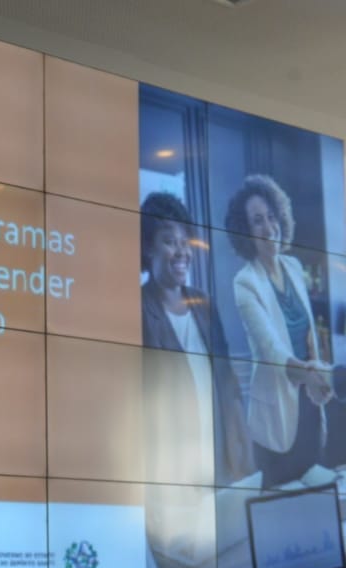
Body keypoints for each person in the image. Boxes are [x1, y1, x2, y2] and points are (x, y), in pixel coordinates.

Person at [224, 174, 332, 488]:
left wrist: (316, 370)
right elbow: (271, 349)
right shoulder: (245, 282)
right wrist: (315, 375)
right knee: (281, 504)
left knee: (317, 496)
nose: (269, 227)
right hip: (275, 418)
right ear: (245, 231)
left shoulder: (294, 267)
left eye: (271, 217)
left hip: (309, 404)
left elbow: (307, 333)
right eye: (257, 221)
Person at [140, 191, 253, 486]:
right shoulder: (137, 309)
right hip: (172, 472)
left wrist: (243, 454)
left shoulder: (203, 305)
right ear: (148, 248)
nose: (182, 252)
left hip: (220, 463)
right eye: (169, 241)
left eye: (185, 242)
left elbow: (228, 385)